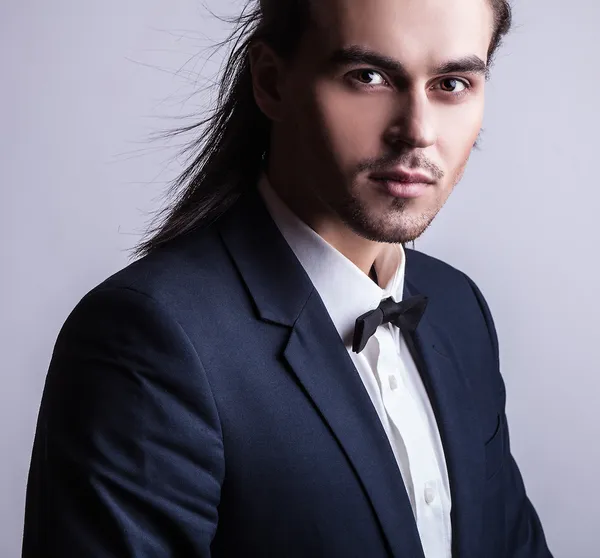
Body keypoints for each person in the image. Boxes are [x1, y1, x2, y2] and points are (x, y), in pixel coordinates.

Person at [22, 0, 554, 556]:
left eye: (451, 83)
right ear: (272, 83)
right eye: (367, 77)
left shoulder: (458, 305)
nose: (416, 132)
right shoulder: (149, 336)